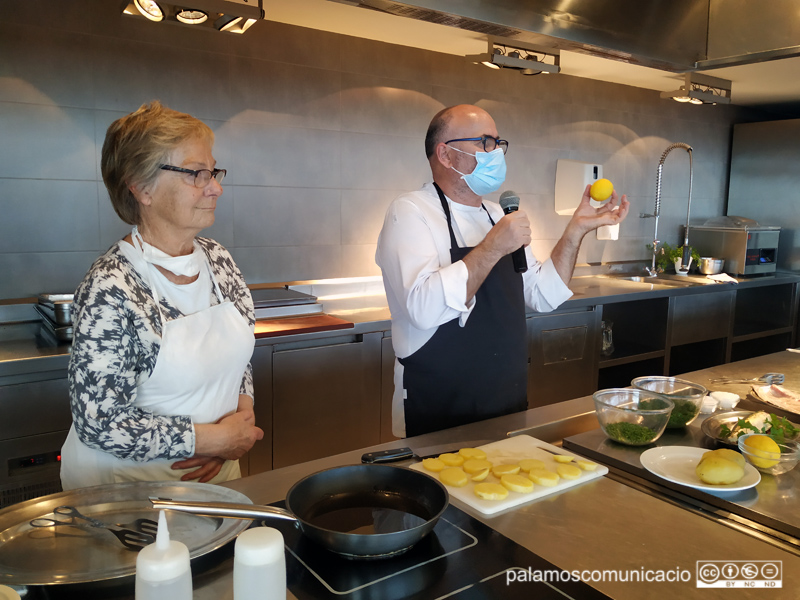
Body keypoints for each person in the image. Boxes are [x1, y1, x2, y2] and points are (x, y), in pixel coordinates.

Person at [376, 104, 630, 438]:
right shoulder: (410, 212)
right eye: (484, 142)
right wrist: (494, 246)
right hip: (438, 402)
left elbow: (542, 294)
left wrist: (576, 230)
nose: (495, 153)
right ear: (445, 154)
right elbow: (423, 309)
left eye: (498, 143)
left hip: (504, 397)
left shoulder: (498, 215)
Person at [61, 101, 263, 490]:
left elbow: (238, 358)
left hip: (215, 475)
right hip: (126, 495)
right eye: (196, 174)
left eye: (214, 171)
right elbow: (99, 422)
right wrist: (209, 439)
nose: (216, 187)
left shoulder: (219, 260)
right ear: (141, 187)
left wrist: (239, 424)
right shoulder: (112, 286)